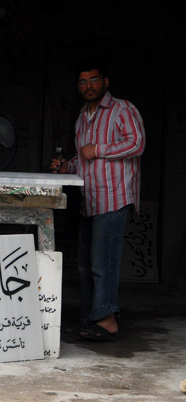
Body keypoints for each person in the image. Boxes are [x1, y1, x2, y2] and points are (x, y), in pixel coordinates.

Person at [51, 59, 145, 341]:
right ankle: (89, 319)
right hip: (90, 201)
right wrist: (67, 166)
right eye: (82, 81)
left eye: (93, 80)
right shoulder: (83, 116)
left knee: (102, 263)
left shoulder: (122, 109)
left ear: (106, 82)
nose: (88, 86)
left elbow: (137, 143)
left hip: (114, 199)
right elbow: (84, 159)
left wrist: (99, 149)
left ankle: (107, 321)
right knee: (85, 265)